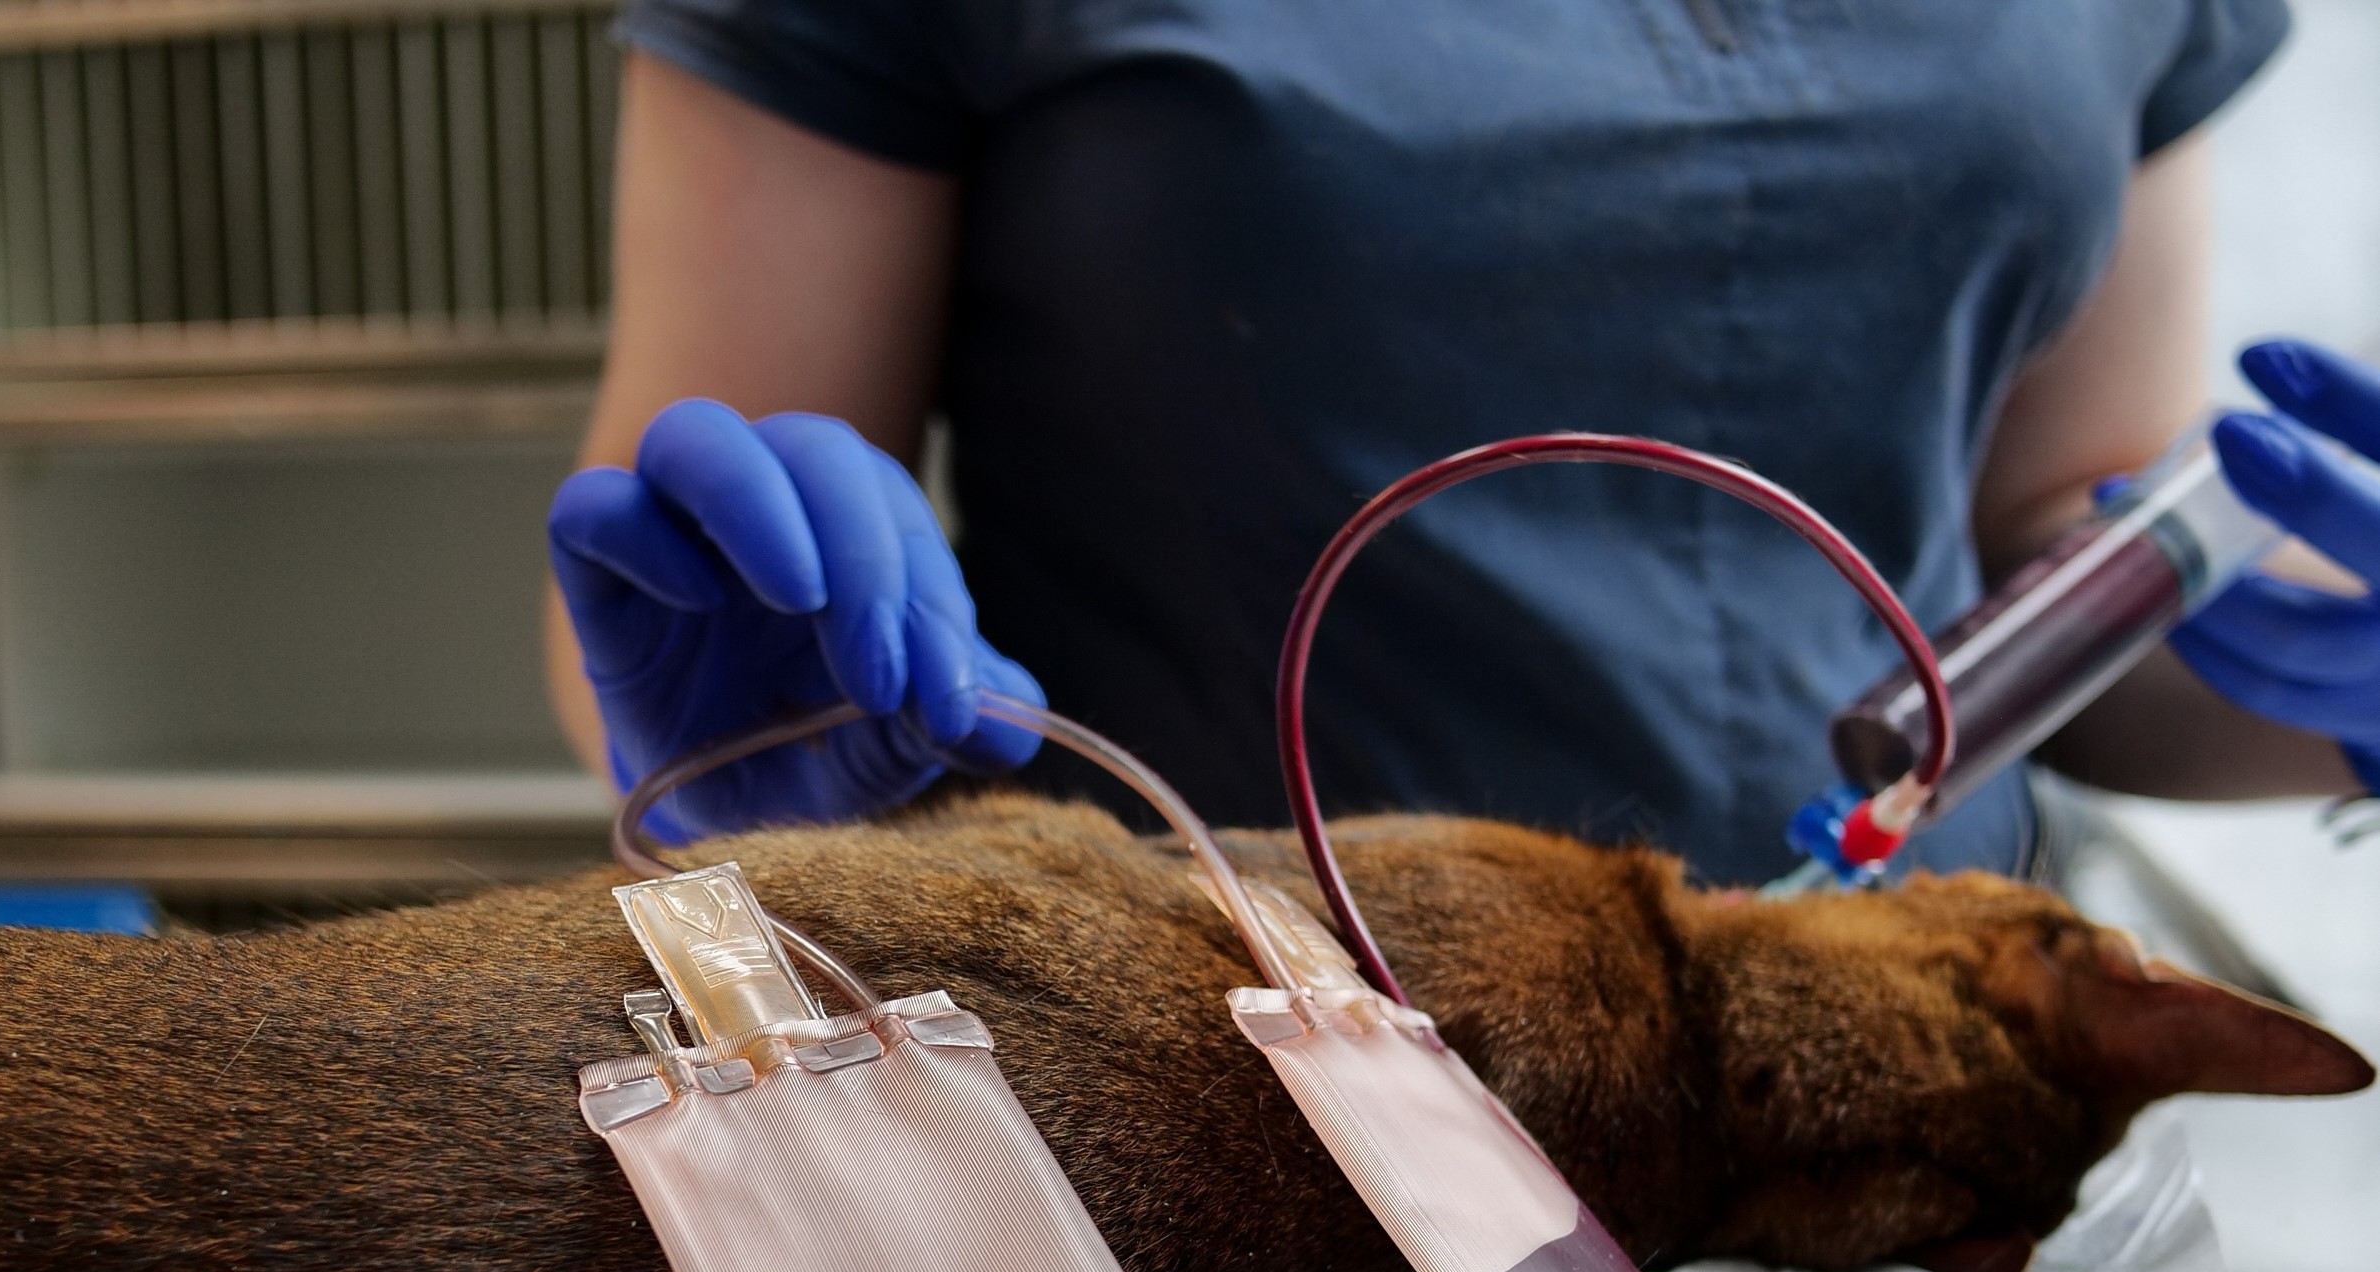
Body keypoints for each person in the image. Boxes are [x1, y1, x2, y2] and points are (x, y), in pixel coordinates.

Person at [545, 0, 2380, 885]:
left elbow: (2074, 526)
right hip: (1234, 1112)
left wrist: (2336, 661)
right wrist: (759, 736)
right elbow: (687, 566)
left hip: (1921, 1121)